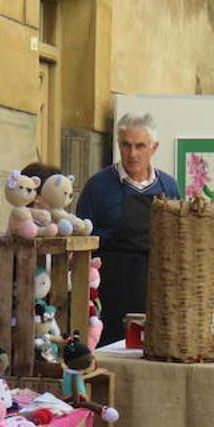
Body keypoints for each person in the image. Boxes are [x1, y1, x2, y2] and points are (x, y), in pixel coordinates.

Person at [75, 112, 181, 345]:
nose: (132, 154)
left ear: (154, 148)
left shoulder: (169, 187)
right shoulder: (98, 186)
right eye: (126, 145)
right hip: (109, 291)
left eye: (140, 146)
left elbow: (176, 242)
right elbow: (79, 243)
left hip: (153, 289)